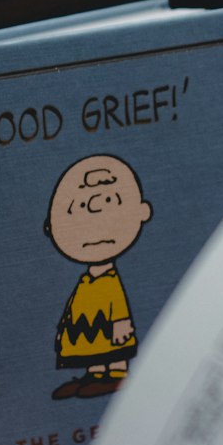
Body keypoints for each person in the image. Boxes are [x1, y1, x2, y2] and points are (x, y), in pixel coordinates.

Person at [44, 153, 153, 400]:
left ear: (141, 212)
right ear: (51, 227)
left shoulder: (109, 281)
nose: (94, 226)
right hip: (87, 325)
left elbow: (117, 302)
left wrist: (121, 323)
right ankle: (94, 376)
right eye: (78, 208)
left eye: (108, 202)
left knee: (113, 351)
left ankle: (116, 374)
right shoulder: (86, 282)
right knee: (92, 349)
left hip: (109, 324)